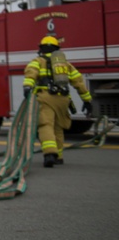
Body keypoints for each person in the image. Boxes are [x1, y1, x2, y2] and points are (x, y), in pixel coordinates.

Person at [22, 35, 93, 168]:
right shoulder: (65, 64)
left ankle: (49, 154)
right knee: (58, 128)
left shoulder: (38, 61)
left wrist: (27, 87)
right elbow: (78, 82)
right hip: (63, 99)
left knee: (45, 125)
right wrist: (87, 100)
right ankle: (59, 157)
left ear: (41, 48)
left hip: (46, 97)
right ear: (57, 49)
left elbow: (30, 73)